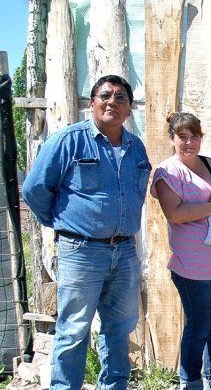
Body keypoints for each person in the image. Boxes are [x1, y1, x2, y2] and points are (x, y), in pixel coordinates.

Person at [22, 75, 150, 390]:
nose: (113, 102)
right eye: (105, 95)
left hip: (124, 251)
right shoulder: (68, 141)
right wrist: (63, 223)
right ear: (91, 102)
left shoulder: (136, 147)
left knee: (119, 330)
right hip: (81, 252)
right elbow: (35, 189)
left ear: (129, 108)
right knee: (74, 329)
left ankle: (115, 385)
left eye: (121, 98)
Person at [152, 112, 211, 390]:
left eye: (194, 136)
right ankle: (190, 382)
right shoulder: (167, 172)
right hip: (194, 269)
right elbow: (175, 213)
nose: (189, 142)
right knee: (199, 329)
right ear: (172, 138)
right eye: (182, 136)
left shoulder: (210, 164)